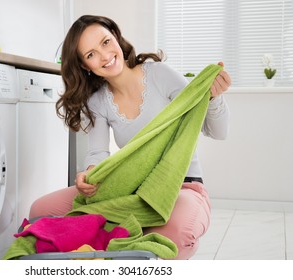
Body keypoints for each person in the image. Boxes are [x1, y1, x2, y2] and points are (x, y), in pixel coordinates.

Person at [29, 15, 231, 259]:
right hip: (128, 190)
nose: (104, 56)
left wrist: (214, 98)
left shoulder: (159, 75)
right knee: (40, 210)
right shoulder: (98, 100)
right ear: (85, 66)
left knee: (175, 235)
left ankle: (130, 237)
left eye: (105, 42)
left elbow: (218, 132)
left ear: (116, 36)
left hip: (182, 186)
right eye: (91, 54)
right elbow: (98, 153)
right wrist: (88, 175)